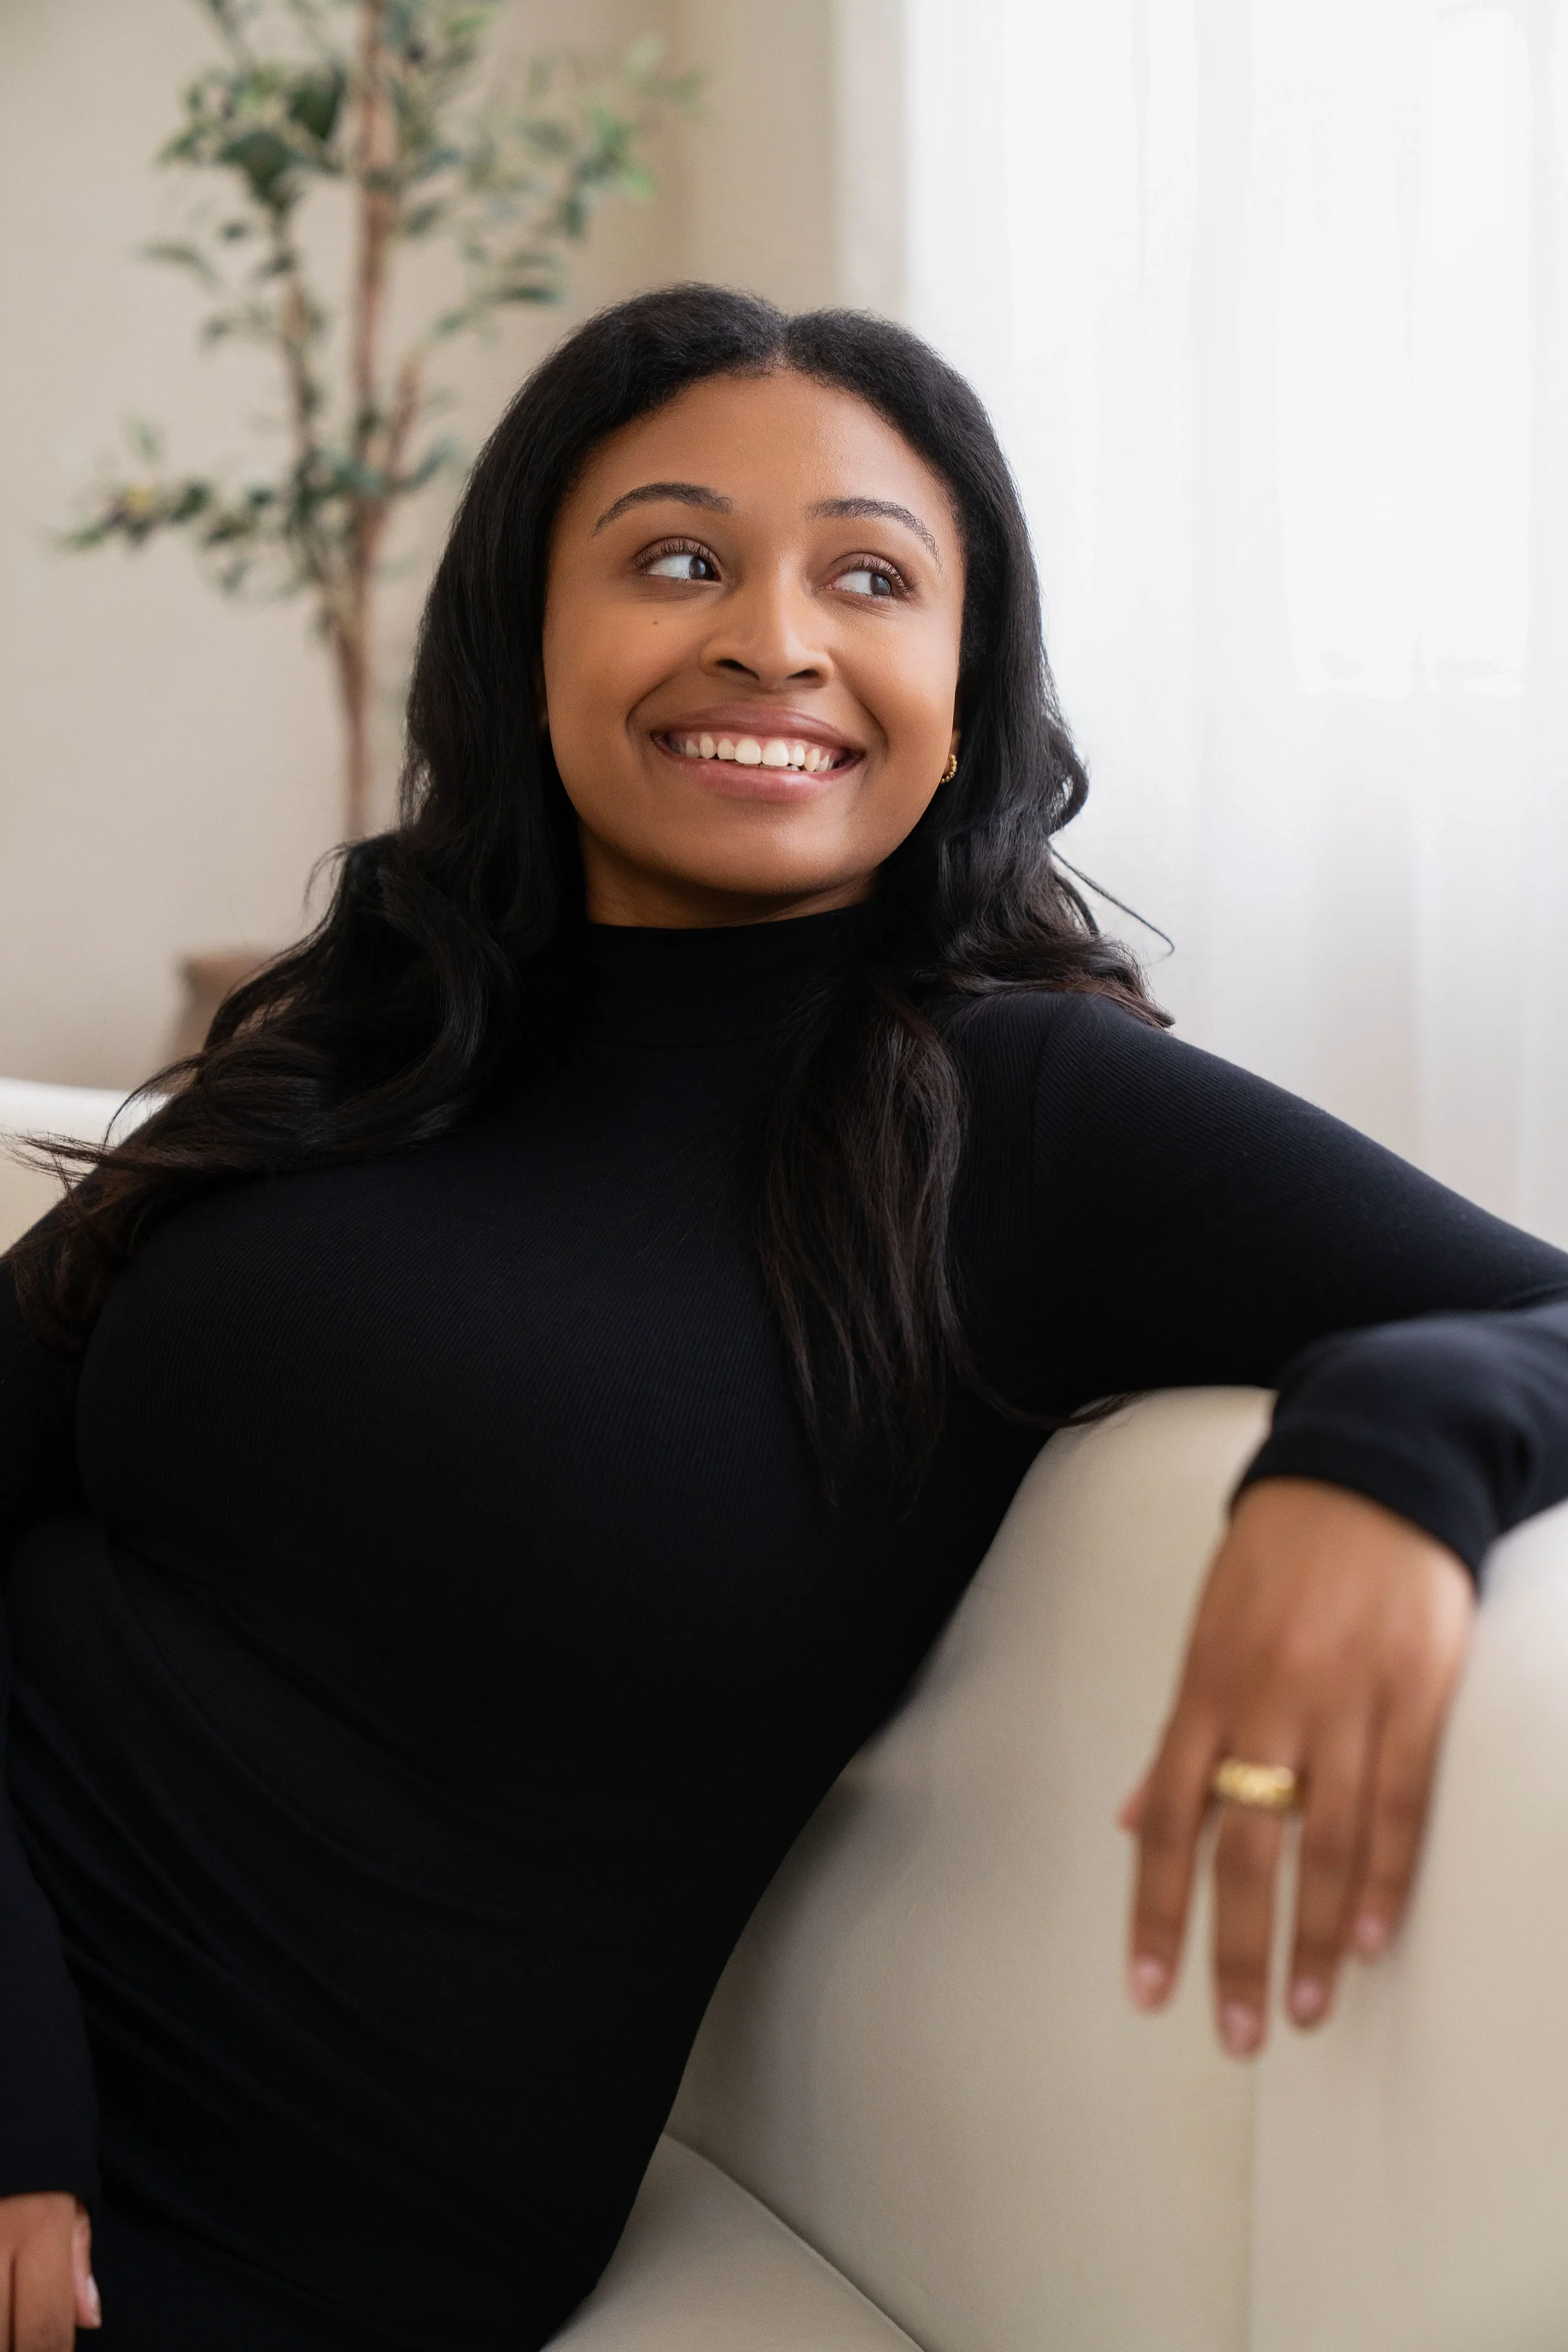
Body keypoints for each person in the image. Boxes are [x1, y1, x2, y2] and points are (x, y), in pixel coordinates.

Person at [3, 283, 1565, 2350]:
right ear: (524, 632)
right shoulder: (366, 1025)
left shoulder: (1016, 1110)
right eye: (674, 559)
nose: (773, 636)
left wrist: (1392, 1452)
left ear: (961, 673)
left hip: (268, 2235)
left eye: (869, 577)